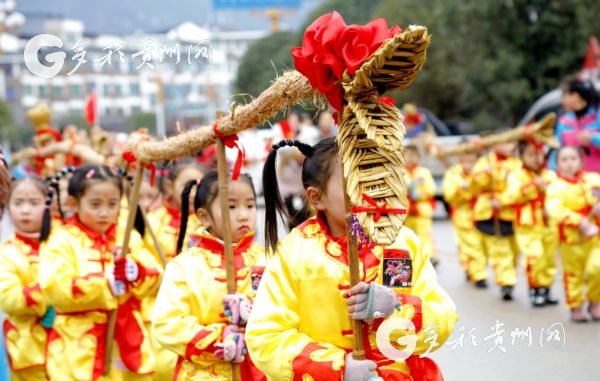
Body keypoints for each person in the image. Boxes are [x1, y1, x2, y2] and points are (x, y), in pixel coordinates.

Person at [246, 138, 457, 381]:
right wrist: (336, 368)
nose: (370, 192)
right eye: (355, 182)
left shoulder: (402, 243)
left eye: (374, 179)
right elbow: (265, 336)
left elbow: (442, 320)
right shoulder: (294, 253)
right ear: (317, 198)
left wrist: (395, 308)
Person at [39, 165, 162, 380]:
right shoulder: (62, 240)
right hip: (77, 344)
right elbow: (54, 287)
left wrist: (137, 272)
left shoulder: (128, 237)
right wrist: (105, 284)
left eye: (112, 204)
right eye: (95, 204)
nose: (104, 212)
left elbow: (157, 276)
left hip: (126, 339)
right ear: (73, 203)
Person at [153, 171, 267, 380]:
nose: (243, 215)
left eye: (250, 206)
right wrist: (219, 338)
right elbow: (166, 324)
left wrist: (251, 310)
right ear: (204, 216)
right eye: (231, 207)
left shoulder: (269, 259)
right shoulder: (185, 265)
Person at [0, 177, 53, 380]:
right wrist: (51, 298)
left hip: (69, 344)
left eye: (34, 203)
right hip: (26, 347)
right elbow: (6, 296)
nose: (25, 210)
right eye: (18, 202)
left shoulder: (62, 243)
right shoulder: (7, 252)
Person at [546, 146, 600, 322]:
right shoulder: (555, 187)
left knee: (597, 268)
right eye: (564, 160)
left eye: (573, 159)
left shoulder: (594, 180)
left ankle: (595, 300)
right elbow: (555, 210)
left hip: (595, 237)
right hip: (570, 240)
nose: (569, 163)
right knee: (573, 274)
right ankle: (575, 305)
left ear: (581, 161)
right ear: (557, 164)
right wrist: (581, 222)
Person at [502, 140, 558, 307]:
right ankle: (535, 289)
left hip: (548, 222)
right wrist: (534, 186)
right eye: (530, 154)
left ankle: (546, 289)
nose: (536, 158)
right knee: (535, 256)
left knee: (549, 258)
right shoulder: (516, 175)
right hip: (528, 223)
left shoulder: (550, 174)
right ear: (522, 157)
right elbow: (512, 196)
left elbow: (558, 195)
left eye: (538, 153)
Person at [470, 141, 522, 301]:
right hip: (489, 211)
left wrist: (504, 199)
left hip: (511, 211)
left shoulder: (517, 164)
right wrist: (486, 175)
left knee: (514, 250)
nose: (509, 146)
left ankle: (509, 275)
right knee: (500, 250)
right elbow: (473, 185)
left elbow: (519, 186)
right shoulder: (485, 161)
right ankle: (506, 281)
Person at [442, 150, 484, 286]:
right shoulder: (453, 173)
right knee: (468, 244)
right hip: (462, 214)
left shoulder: (481, 172)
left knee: (480, 245)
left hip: (481, 212)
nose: (468, 163)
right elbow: (449, 195)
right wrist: (461, 189)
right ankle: (478, 274)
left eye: (471, 159)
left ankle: (473, 268)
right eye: (465, 159)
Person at [554, 79, 600, 172]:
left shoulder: (597, 115)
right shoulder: (564, 121)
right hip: (574, 182)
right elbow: (557, 149)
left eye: (564, 96)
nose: (562, 101)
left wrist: (593, 138)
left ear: (576, 96)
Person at [404, 145, 438, 266]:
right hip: (405, 213)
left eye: (413, 155)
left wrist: (420, 194)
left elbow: (431, 189)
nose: (410, 158)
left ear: (418, 157)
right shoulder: (400, 172)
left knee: (425, 236)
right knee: (407, 237)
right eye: (407, 155)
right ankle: (411, 259)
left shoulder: (424, 172)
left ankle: (428, 258)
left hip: (422, 210)